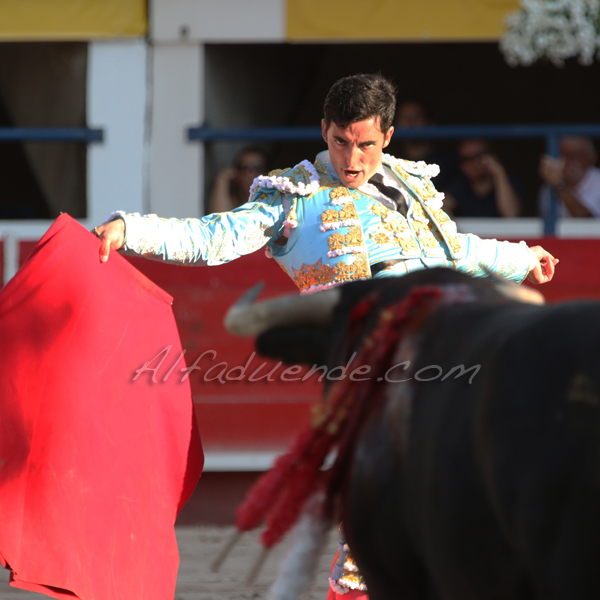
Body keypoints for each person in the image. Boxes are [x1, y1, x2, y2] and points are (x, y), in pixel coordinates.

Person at [94, 73, 557, 599]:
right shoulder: (292, 193)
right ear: (324, 130)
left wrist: (521, 258)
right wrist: (132, 228)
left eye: (364, 145)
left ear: (386, 136)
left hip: (447, 335)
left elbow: (454, 251)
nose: (351, 160)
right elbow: (212, 238)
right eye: (339, 142)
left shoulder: (411, 182)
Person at [392, 99, 459, 193]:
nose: (411, 122)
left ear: (430, 122)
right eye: (405, 117)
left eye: (417, 117)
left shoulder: (448, 161)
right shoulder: (390, 161)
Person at [444, 139, 522, 218]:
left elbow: (511, 214)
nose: (474, 163)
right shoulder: (460, 184)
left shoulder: (507, 181)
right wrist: (452, 227)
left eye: (479, 156)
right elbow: (440, 206)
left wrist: (499, 172)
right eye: (467, 159)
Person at [538, 136, 600, 218]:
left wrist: (559, 186)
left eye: (578, 155)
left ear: (592, 157)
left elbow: (587, 221)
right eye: (566, 155)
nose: (572, 161)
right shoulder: (547, 189)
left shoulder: (598, 181)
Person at [208, 147, 268, 213]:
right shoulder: (232, 200)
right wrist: (222, 179)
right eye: (244, 168)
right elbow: (219, 219)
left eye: (258, 168)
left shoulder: (274, 201)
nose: (250, 174)